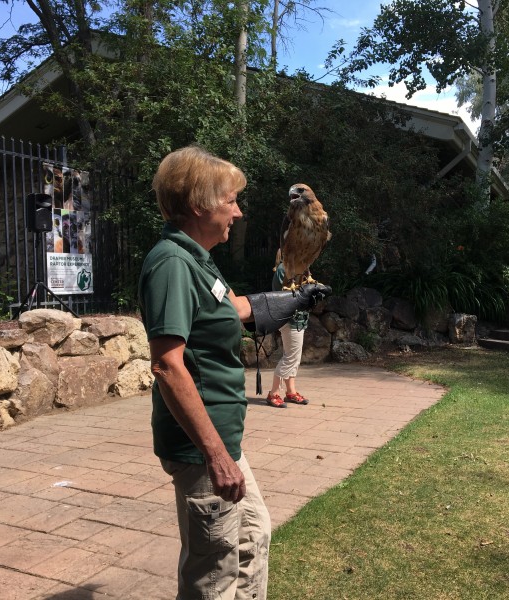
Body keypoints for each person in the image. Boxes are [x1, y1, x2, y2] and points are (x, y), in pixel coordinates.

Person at [138, 145, 329, 599]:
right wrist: (215, 455)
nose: (239, 212)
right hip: (202, 447)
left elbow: (232, 307)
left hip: (223, 437)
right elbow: (167, 364)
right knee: (215, 570)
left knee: (252, 537)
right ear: (200, 205)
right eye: (231, 201)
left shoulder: (197, 258)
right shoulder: (171, 264)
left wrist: (290, 299)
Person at [265, 263, 310, 408]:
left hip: (298, 318)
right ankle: (273, 393)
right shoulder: (284, 268)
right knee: (290, 357)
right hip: (290, 318)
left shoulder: (299, 266)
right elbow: (282, 296)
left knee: (294, 357)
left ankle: (291, 392)